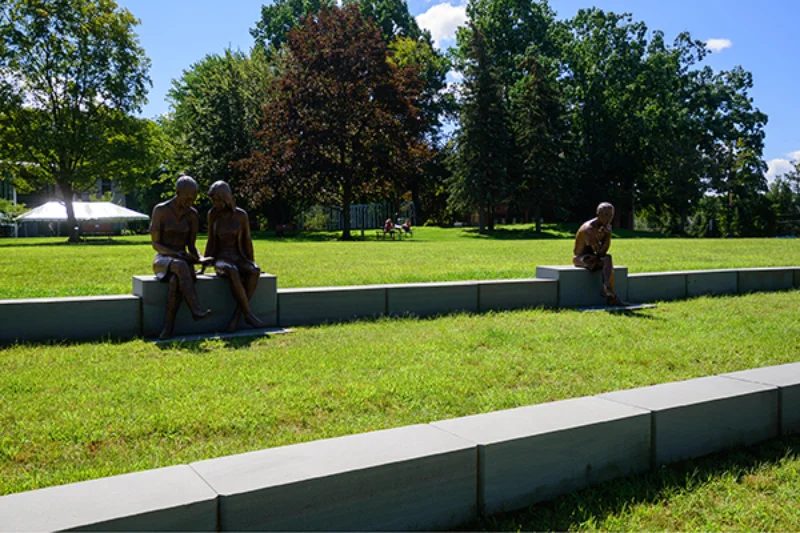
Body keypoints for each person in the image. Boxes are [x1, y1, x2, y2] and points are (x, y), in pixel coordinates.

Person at [150, 175, 212, 339]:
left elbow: (191, 245)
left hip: (182, 260)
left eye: (193, 199)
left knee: (175, 281)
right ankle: (196, 309)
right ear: (177, 192)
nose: (190, 202)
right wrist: (174, 254)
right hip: (163, 259)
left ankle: (168, 327)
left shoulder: (192, 215)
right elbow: (155, 244)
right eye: (187, 198)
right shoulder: (161, 210)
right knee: (179, 265)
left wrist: (200, 258)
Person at [204, 180, 266, 332]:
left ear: (225, 198)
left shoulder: (240, 215)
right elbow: (211, 240)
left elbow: (247, 241)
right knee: (232, 270)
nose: (215, 203)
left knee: (254, 271)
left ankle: (238, 317)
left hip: (238, 256)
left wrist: (252, 262)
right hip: (221, 259)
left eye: (217, 199)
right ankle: (248, 314)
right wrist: (204, 265)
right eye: (213, 200)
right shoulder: (213, 215)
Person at [573, 202, 627, 306]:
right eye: (606, 215)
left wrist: (608, 236)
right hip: (581, 258)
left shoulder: (604, 227)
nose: (608, 218)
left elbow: (602, 253)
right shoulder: (588, 229)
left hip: (595, 257)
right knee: (606, 259)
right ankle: (609, 293)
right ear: (598, 214)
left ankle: (607, 290)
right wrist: (608, 236)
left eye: (611, 215)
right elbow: (600, 252)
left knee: (607, 259)